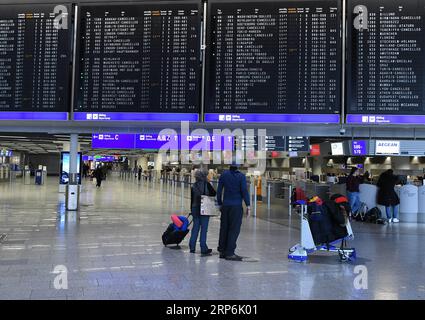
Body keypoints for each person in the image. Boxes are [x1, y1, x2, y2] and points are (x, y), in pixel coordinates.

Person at [216, 161, 251, 261]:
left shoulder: (224, 175)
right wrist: (248, 205)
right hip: (236, 206)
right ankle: (230, 253)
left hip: (225, 206)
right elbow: (244, 191)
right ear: (238, 167)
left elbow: (219, 191)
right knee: (234, 229)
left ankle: (222, 251)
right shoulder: (241, 176)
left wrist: (219, 204)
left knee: (224, 228)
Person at [189, 169, 217, 256]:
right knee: (204, 229)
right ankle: (203, 248)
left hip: (194, 208)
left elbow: (192, 199)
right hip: (204, 208)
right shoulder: (207, 184)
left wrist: (191, 210)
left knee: (195, 228)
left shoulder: (193, 185)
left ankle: (192, 247)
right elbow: (214, 193)